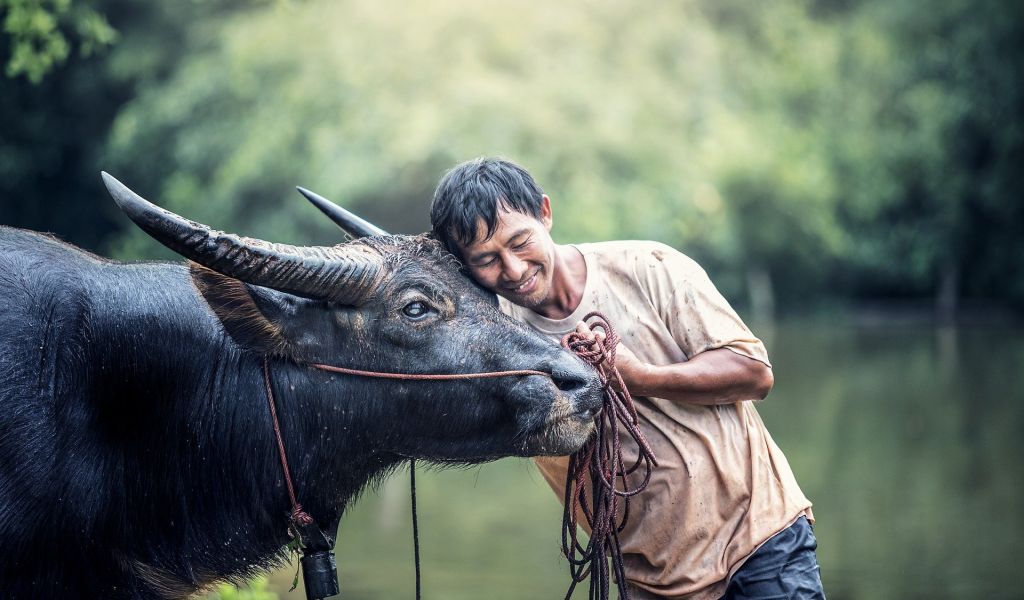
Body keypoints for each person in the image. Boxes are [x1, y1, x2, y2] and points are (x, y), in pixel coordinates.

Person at [429, 157, 825, 600]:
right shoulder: (495, 339)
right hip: (649, 576)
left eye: (520, 242)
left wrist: (642, 378)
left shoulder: (650, 267)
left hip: (757, 539)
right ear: (465, 268)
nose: (515, 270)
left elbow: (753, 373)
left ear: (545, 212)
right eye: (486, 260)